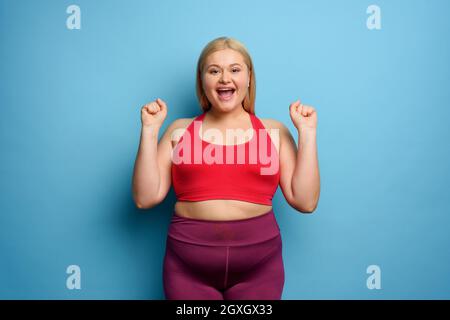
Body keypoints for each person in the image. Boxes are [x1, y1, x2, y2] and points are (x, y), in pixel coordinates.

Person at [132, 36, 320, 300]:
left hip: (259, 268)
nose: (224, 79)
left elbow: (306, 201)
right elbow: (145, 198)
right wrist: (150, 131)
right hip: (187, 269)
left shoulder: (274, 131)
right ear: (202, 81)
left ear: (249, 78)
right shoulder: (179, 130)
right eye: (214, 70)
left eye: (234, 69)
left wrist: (308, 134)